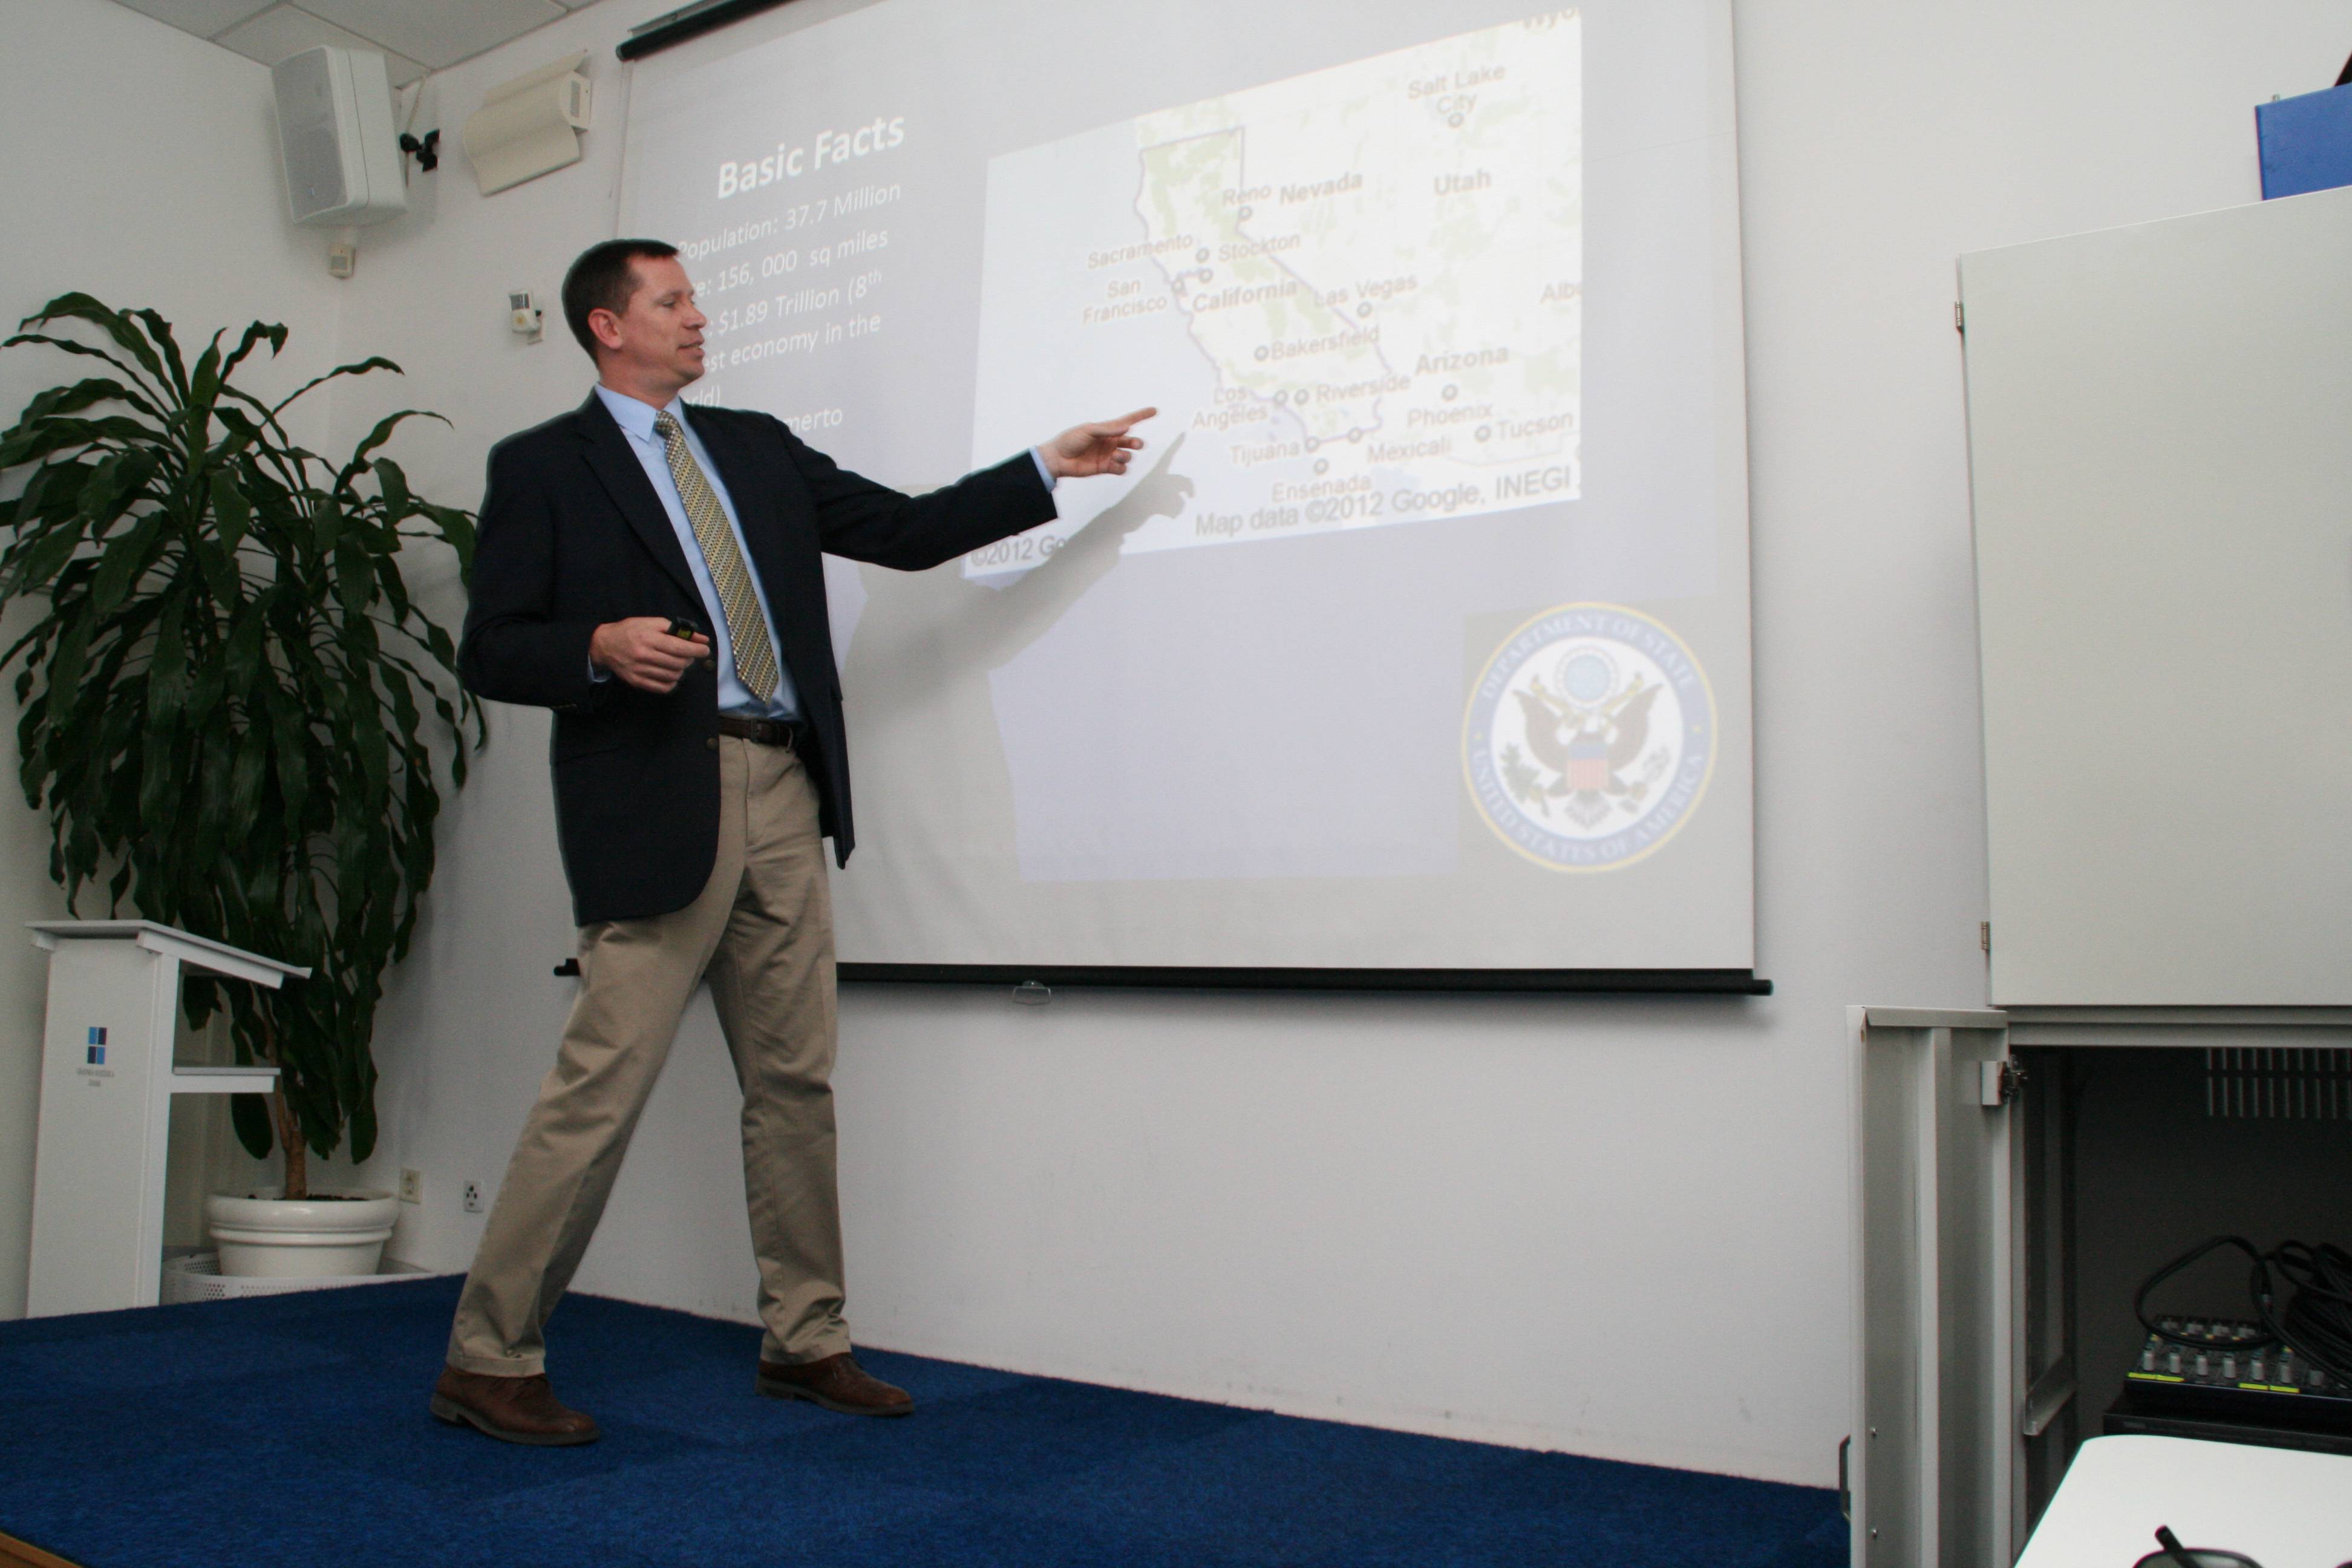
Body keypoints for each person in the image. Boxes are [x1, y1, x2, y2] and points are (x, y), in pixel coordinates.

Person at [430, 237, 1152, 1445]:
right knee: (601, 1087)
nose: (697, 316)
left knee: (794, 1084)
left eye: (695, 298)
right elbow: (492, 645)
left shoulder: (755, 446)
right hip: (658, 796)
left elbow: (907, 529)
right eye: (673, 300)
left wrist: (1046, 467)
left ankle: (806, 1340)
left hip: (783, 784)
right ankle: (488, 1357)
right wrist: (594, 647)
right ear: (609, 325)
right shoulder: (545, 465)